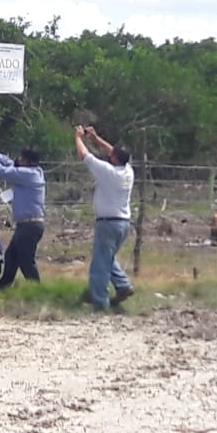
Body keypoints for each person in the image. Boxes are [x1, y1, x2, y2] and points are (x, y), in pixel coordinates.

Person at [74, 125, 135, 310]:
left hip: (108, 223)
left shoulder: (108, 173)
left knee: (100, 264)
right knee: (107, 258)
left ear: (115, 158)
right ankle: (123, 286)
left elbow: (85, 156)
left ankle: (99, 301)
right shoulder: (128, 171)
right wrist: (95, 138)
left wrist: (78, 138)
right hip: (123, 223)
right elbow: (113, 152)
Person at [0, 141, 46, 290]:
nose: (18, 159)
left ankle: (37, 291)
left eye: (21, 158)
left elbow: (1, 171)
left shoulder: (27, 175)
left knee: (26, 260)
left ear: (28, 161)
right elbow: (9, 163)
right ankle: (1, 290)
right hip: (26, 225)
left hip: (29, 225)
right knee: (11, 258)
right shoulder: (33, 172)